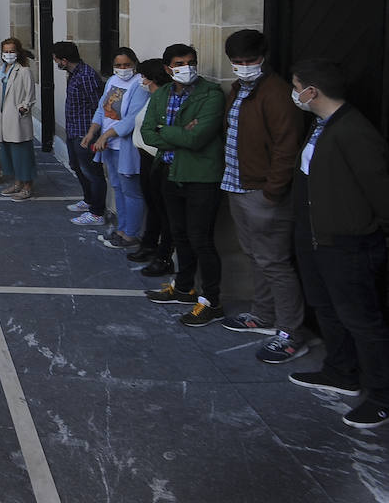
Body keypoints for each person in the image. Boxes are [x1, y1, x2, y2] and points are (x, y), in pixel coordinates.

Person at [286, 58, 389, 429]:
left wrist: (366, 229)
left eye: (297, 87)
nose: (294, 94)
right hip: (315, 238)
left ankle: (380, 396)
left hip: (348, 244)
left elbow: (379, 190)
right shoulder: (322, 125)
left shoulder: (354, 131)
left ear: (312, 92)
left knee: (361, 320)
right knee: (325, 308)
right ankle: (341, 372)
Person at [217, 30, 309, 364]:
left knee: (274, 262)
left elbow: (287, 146)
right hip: (237, 184)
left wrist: (273, 190)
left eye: (249, 61)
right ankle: (263, 313)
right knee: (255, 256)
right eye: (237, 62)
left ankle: (291, 332)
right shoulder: (239, 88)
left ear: (263, 56)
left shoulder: (278, 93)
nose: (243, 67)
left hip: (263, 191)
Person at [141, 44, 226, 326]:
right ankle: (184, 288)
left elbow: (198, 138)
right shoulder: (163, 93)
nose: (186, 67)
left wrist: (165, 130)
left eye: (191, 61)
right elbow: (147, 133)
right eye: (179, 63)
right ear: (168, 68)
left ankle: (212, 301)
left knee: (201, 238)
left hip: (200, 176)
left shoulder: (211, 94)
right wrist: (176, 132)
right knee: (179, 234)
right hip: (169, 171)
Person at [83, 48, 148, 248]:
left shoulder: (139, 85)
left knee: (131, 191)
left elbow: (132, 119)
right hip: (108, 146)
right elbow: (102, 109)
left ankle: (131, 234)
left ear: (134, 64)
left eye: (126, 65)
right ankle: (121, 228)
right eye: (118, 65)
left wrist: (106, 136)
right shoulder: (112, 81)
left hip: (124, 147)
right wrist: (92, 132)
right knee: (118, 188)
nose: (122, 69)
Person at [129, 60, 176, 276]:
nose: (141, 80)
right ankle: (149, 243)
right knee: (153, 205)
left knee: (164, 209)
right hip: (145, 156)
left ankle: (164, 256)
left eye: (143, 76)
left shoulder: (164, 99)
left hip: (157, 157)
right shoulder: (152, 98)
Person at [53, 41, 107, 225]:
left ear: (65, 60)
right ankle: (89, 200)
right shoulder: (74, 74)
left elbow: (97, 106)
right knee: (77, 167)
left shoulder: (86, 76)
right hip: (73, 130)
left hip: (85, 133)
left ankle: (97, 212)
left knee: (92, 172)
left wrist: (93, 133)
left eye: (56, 59)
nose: (56, 63)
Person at [0, 37, 36, 198]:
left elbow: (30, 96)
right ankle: (17, 182)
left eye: (12, 51)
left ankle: (27, 185)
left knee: (22, 152)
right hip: (2, 117)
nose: (8, 54)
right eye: (6, 52)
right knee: (8, 152)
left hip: (17, 119)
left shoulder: (24, 71)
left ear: (18, 52)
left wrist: (23, 108)